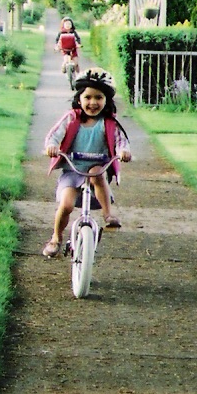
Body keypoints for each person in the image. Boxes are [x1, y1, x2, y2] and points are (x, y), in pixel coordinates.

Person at [42, 68, 132, 257]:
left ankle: (108, 215)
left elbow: (121, 141)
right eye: (88, 97)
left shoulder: (109, 123)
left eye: (98, 97)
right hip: (73, 169)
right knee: (66, 205)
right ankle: (56, 238)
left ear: (106, 100)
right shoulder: (71, 119)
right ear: (79, 98)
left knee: (98, 173)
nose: (93, 102)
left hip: (97, 167)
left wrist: (123, 151)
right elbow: (54, 135)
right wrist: (52, 146)